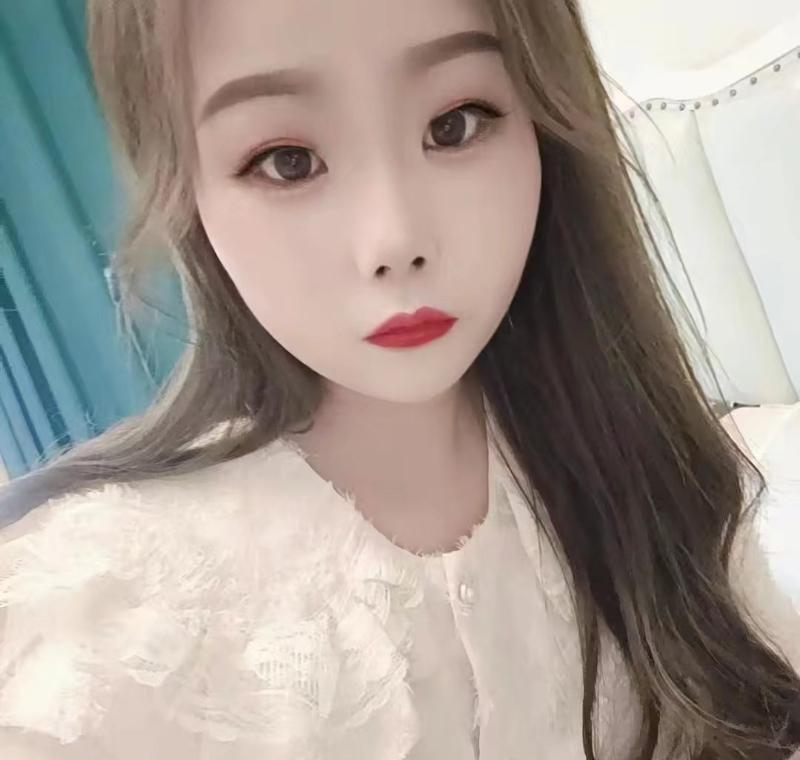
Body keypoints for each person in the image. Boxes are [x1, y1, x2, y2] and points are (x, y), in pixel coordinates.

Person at [0, 0, 798, 758]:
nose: (394, 239)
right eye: (288, 162)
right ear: (188, 194)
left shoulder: (655, 473)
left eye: (455, 125)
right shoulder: (97, 613)